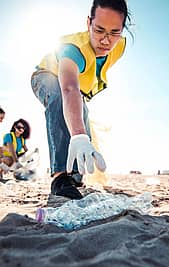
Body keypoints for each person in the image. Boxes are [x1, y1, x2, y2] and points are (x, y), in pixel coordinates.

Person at [30, 0, 132, 199]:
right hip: (47, 76)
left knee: (82, 117)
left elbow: (78, 92)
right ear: (88, 23)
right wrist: (77, 135)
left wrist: (80, 131)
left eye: (114, 33)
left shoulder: (120, 46)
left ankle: (75, 174)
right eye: (99, 30)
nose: (105, 40)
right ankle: (60, 178)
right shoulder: (73, 49)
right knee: (61, 103)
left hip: (78, 90)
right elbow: (68, 88)